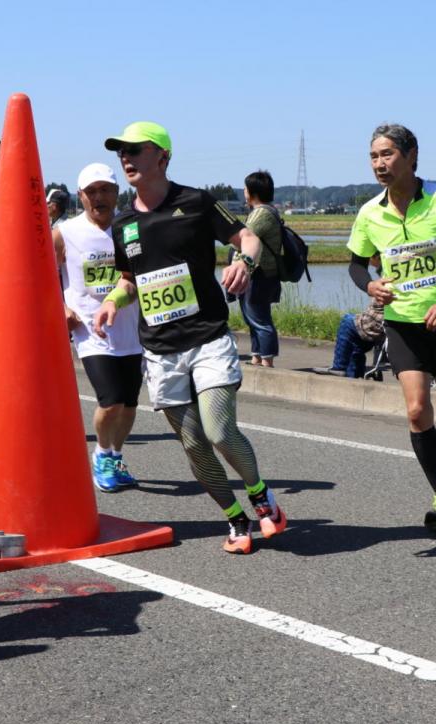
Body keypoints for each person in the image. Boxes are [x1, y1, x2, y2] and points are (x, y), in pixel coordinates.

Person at [93, 121, 287, 555]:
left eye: (134, 150)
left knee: (218, 431)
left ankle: (260, 495)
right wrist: (113, 301)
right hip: (161, 351)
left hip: (208, 339)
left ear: (161, 157)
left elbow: (249, 238)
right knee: (195, 445)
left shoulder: (195, 202)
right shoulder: (123, 222)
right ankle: (235, 519)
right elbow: (130, 280)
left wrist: (244, 264)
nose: (125, 158)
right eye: (120, 152)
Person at [346, 123, 436, 530]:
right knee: (415, 409)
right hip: (403, 324)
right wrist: (370, 284)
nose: (379, 164)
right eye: (373, 156)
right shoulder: (370, 213)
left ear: (411, 156)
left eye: (387, 154)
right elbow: (356, 264)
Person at [55, 163, 142, 492]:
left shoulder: (130, 227)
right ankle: (102, 454)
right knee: (111, 400)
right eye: (91, 192)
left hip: (131, 327)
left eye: (105, 189)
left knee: (130, 404)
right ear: (80, 196)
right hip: (89, 329)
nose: (99, 197)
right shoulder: (66, 232)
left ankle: (116, 456)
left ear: (118, 193)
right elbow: (41, 273)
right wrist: (61, 308)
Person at [237, 171, 282, 367]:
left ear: (253, 192)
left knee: (259, 318)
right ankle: (256, 357)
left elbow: (242, 240)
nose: (244, 192)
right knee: (252, 317)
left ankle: (267, 361)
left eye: (245, 188)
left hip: (261, 274)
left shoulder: (262, 214)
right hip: (259, 273)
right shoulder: (262, 211)